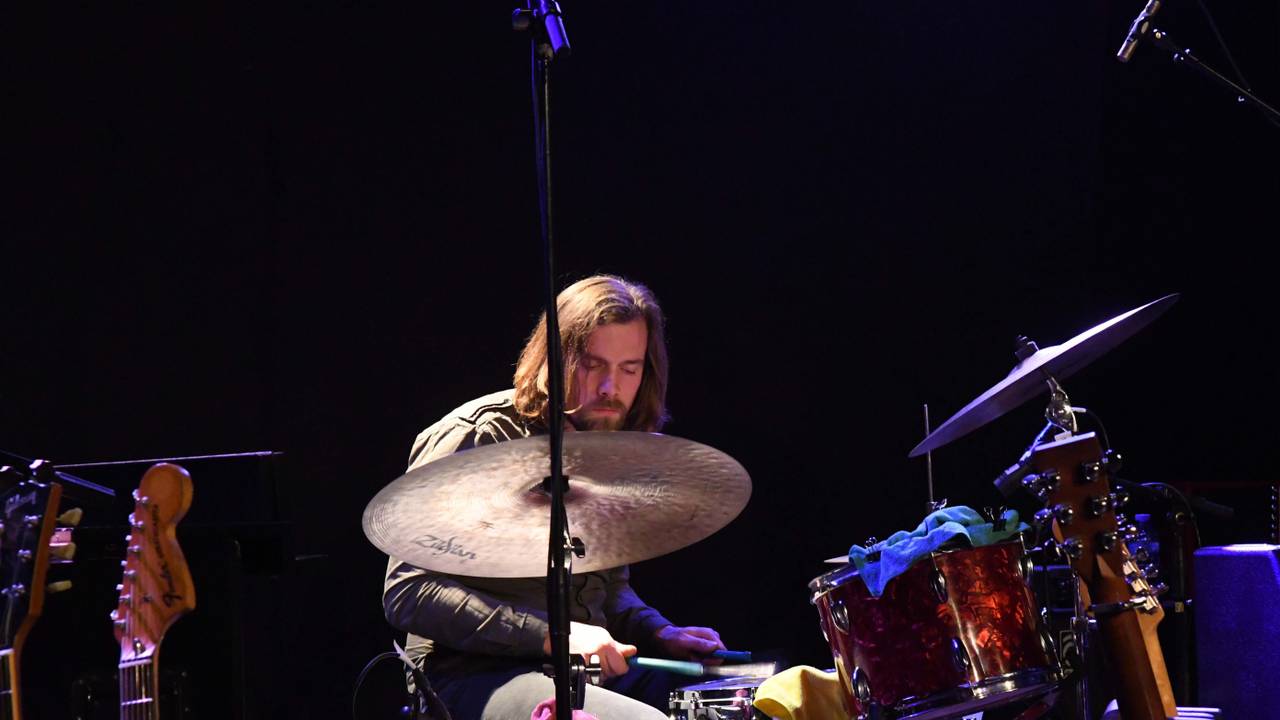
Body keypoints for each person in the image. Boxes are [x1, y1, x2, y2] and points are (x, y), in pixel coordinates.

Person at [383, 275, 726, 720]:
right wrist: (553, 637)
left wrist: (661, 632)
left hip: (576, 669)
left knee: (735, 699)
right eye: (592, 364)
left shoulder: (611, 444)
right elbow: (409, 591)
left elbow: (609, 590)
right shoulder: (478, 435)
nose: (609, 388)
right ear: (554, 359)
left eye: (629, 368)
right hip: (468, 675)